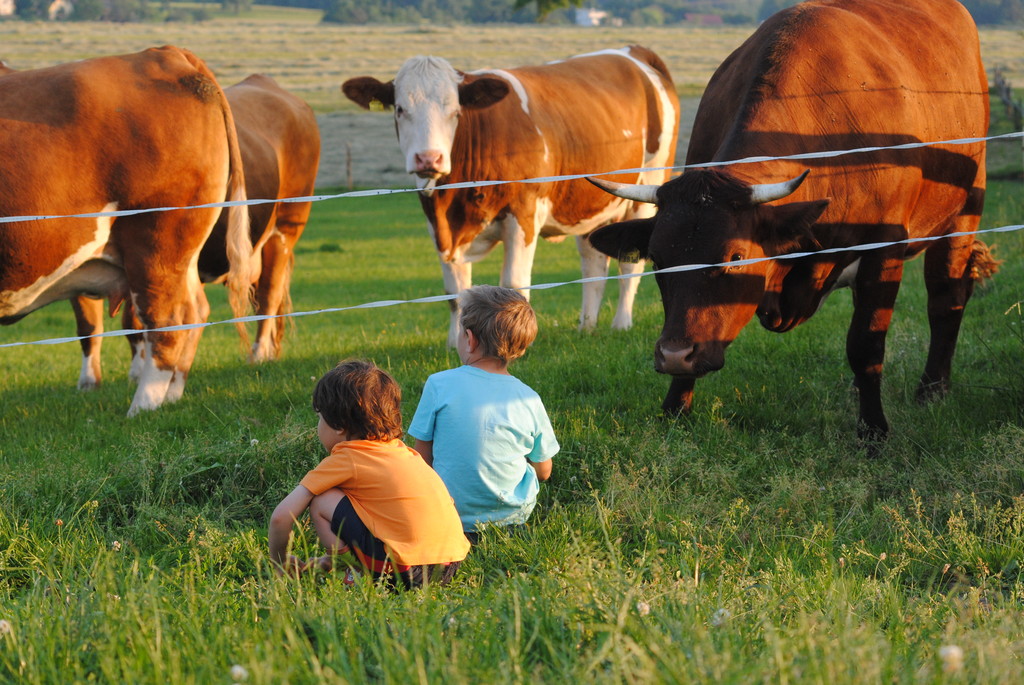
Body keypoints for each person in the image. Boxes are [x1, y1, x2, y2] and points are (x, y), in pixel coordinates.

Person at [268, 360, 470, 589]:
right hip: (449, 564)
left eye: (319, 418)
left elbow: (281, 517)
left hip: (406, 571)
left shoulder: (347, 457)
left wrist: (280, 563)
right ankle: (343, 562)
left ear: (339, 426)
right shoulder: (405, 453)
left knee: (322, 499)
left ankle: (352, 573)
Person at [409, 285, 559, 543]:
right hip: (512, 521)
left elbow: (421, 459)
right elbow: (544, 471)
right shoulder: (529, 398)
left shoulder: (439, 384)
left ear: (470, 338)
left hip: (448, 516)